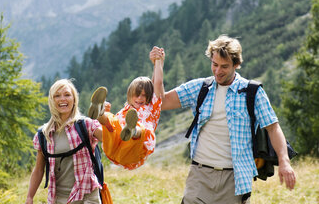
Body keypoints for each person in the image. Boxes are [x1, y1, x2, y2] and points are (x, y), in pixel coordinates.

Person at [151, 35, 296, 204]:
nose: (218, 71)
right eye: (215, 64)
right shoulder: (200, 87)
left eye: (224, 66)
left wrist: (284, 162)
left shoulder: (252, 92)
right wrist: (158, 65)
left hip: (234, 179)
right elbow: (161, 101)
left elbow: (273, 128)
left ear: (236, 64)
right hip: (200, 176)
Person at [26, 79, 103, 204]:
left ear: (74, 99)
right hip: (59, 199)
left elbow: (109, 139)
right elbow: (39, 169)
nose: (62, 99)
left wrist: (105, 117)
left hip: (87, 196)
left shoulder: (86, 125)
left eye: (67, 95)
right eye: (57, 96)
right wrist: (30, 197)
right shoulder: (44, 134)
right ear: (52, 100)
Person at [87, 49, 165, 170]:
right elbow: (113, 129)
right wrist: (107, 112)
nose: (139, 98)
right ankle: (100, 112)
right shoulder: (126, 110)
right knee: (112, 122)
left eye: (144, 95)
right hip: (115, 149)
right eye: (136, 94)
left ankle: (133, 131)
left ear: (149, 96)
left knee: (141, 130)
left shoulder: (151, 106)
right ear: (129, 95)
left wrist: (158, 62)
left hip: (135, 152)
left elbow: (158, 83)